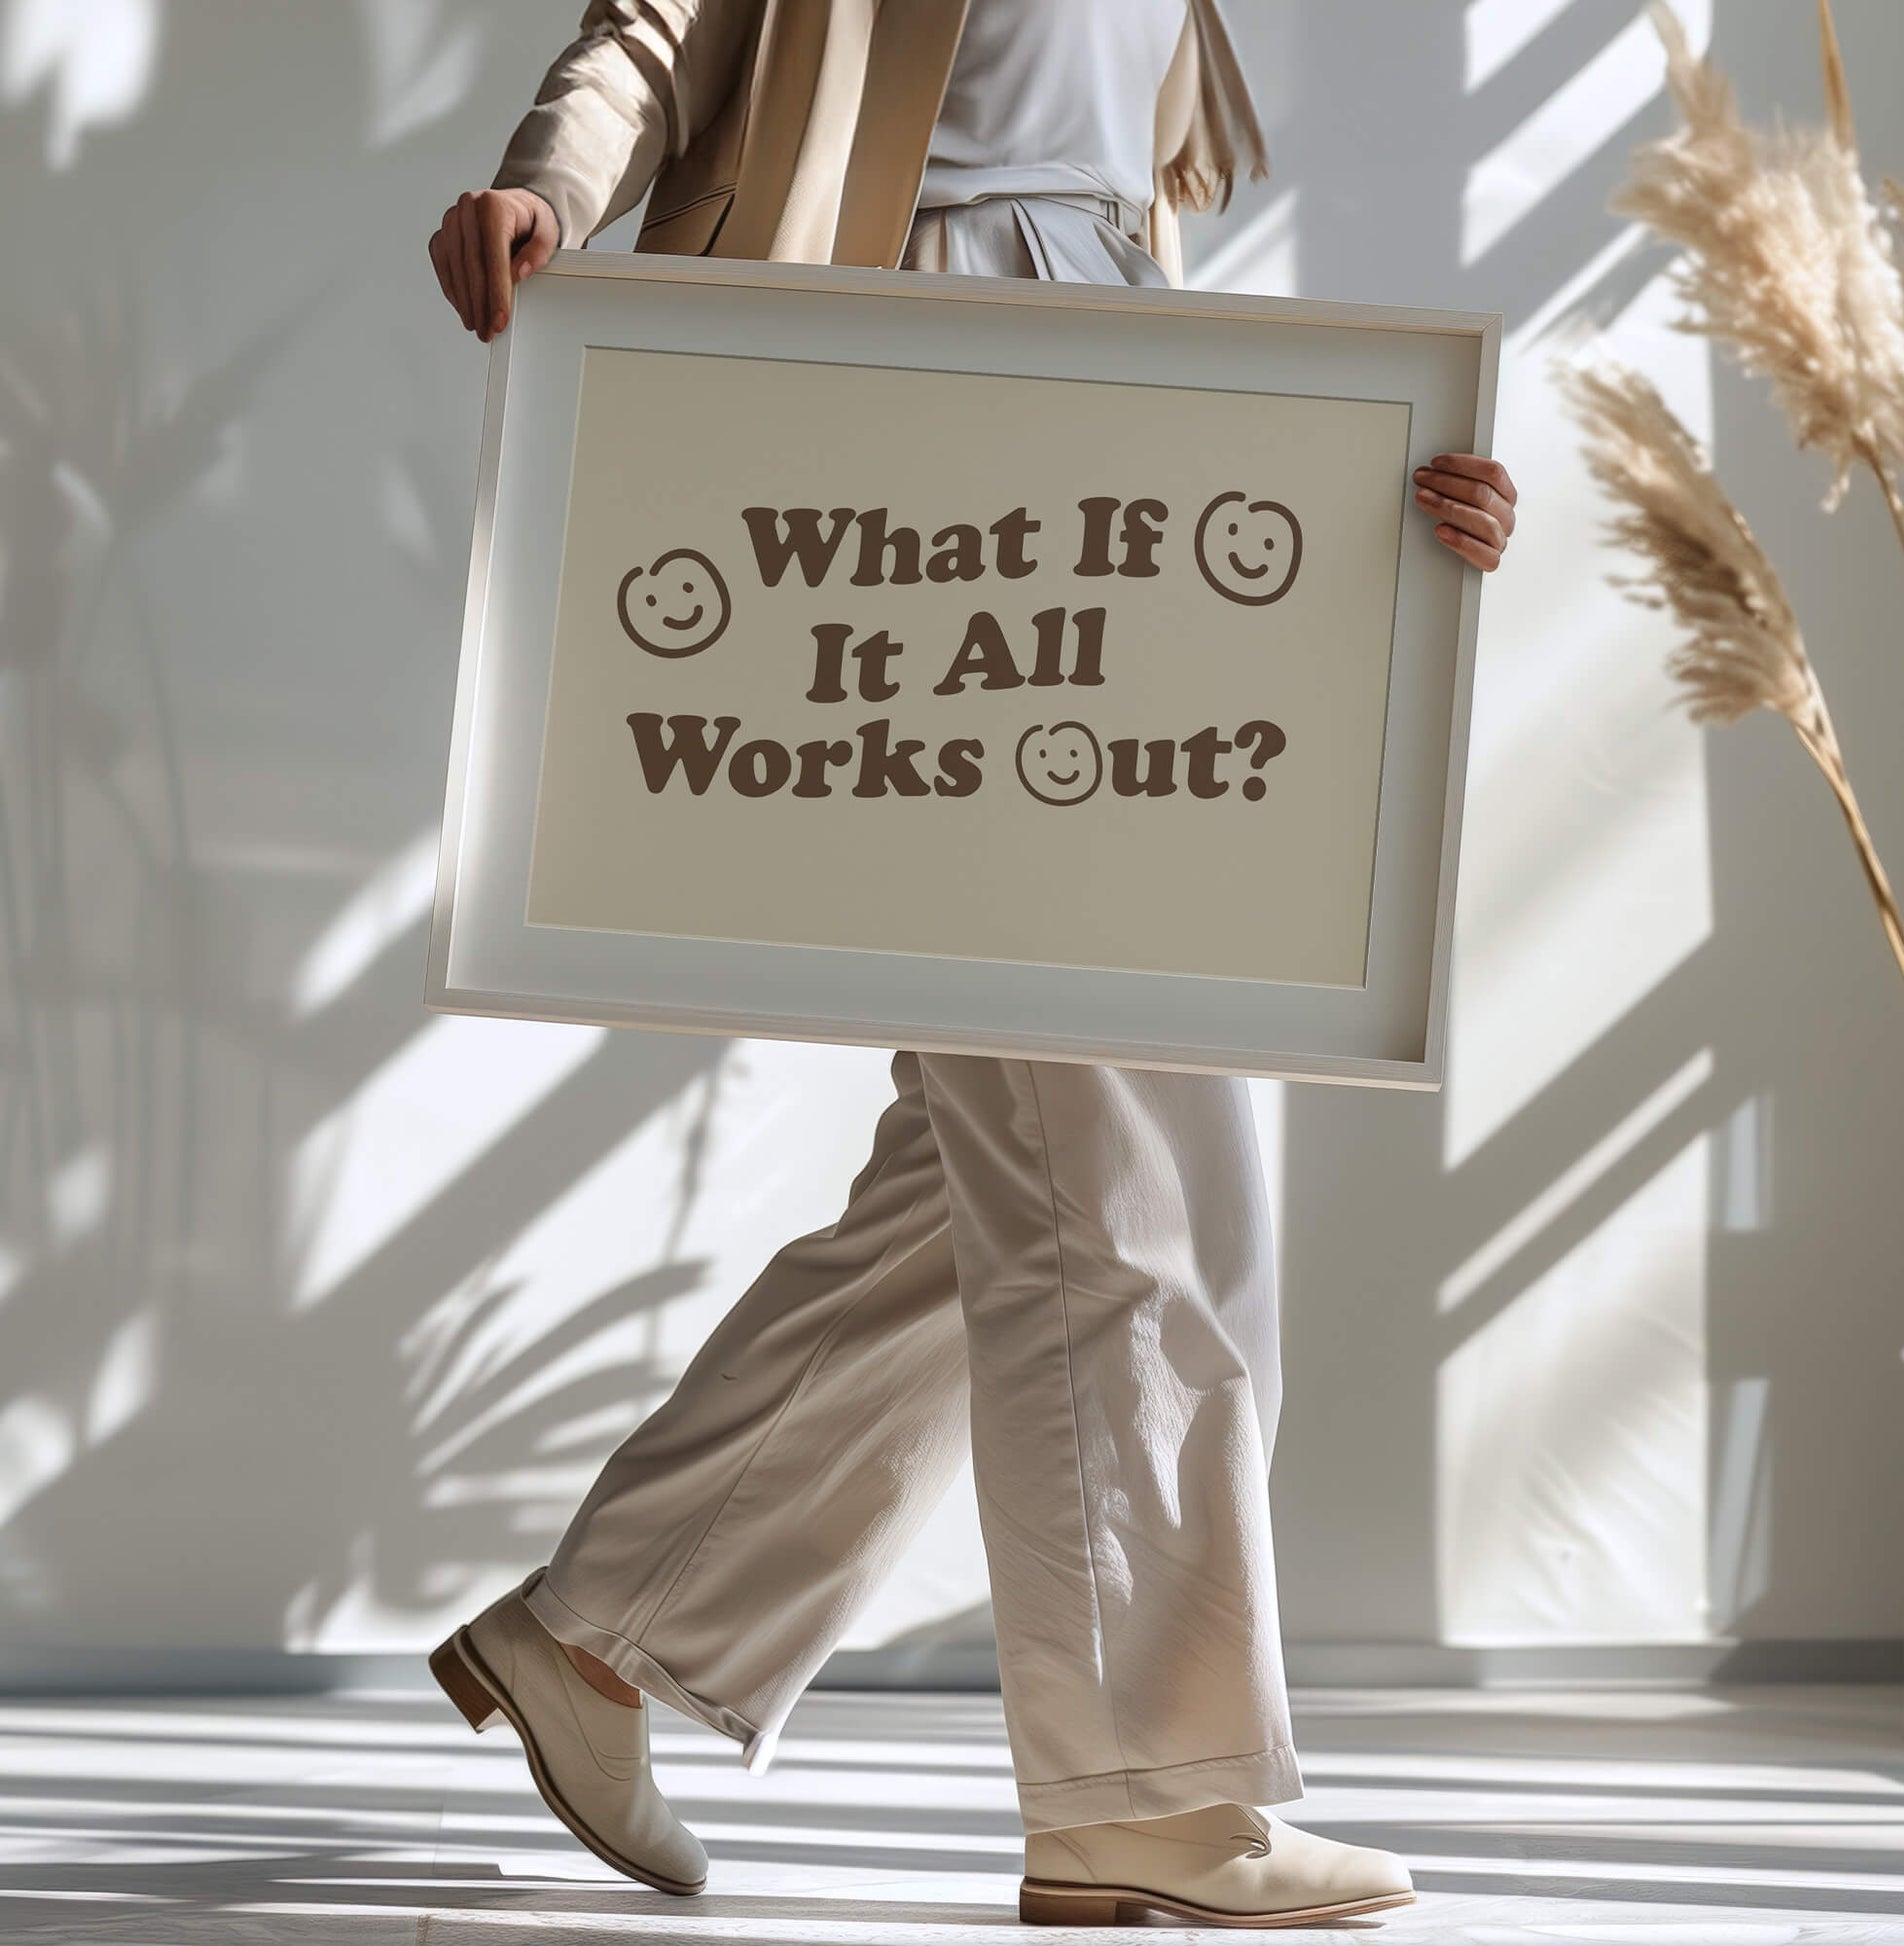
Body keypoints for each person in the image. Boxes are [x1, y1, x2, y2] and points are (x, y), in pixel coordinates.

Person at [426, 1, 1517, 1929]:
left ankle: (608, 1635)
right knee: (1133, 1157)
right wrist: (543, 181)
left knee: (993, 1172)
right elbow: (658, 27)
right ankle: (1146, 1803)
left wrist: (1373, 505)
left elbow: (1114, 225)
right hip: (897, 431)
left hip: (1087, 425)